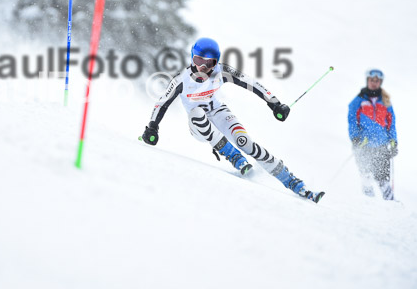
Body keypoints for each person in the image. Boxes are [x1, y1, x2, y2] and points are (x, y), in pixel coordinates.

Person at [141, 37, 325, 203]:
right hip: (197, 124)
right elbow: (161, 104)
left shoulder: (222, 71)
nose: (203, 68)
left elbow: (251, 83)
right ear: (192, 59)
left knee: (245, 142)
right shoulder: (181, 79)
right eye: (198, 61)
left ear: (216, 62)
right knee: (197, 113)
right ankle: (233, 156)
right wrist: (152, 128)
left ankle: (291, 180)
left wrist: (274, 104)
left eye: (209, 63)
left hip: (218, 111)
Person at [348, 69, 398, 200]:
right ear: (367, 81)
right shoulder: (358, 100)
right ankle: (369, 204)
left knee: (383, 177)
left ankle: (390, 204)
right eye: (372, 80)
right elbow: (352, 122)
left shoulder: (385, 101)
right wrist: (355, 138)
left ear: (380, 82)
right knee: (366, 175)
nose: (374, 83)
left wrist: (393, 141)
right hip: (364, 144)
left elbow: (391, 123)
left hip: (381, 144)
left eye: (377, 81)